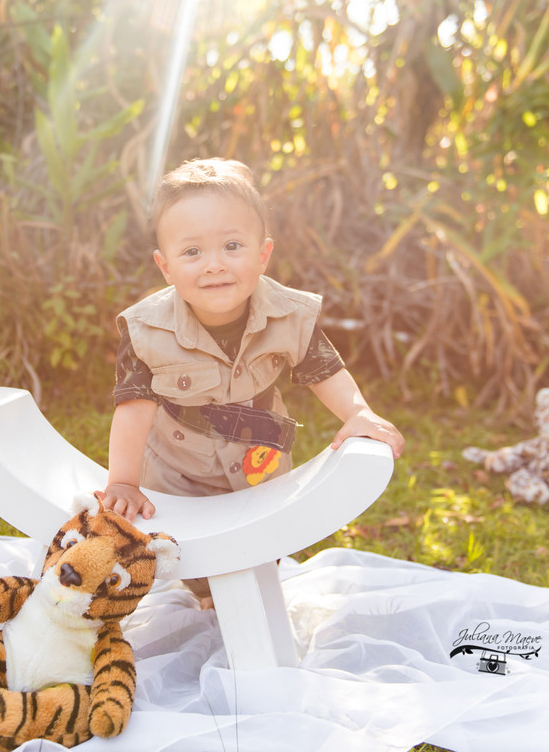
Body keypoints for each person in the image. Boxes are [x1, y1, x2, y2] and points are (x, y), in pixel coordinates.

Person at [100, 158, 405, 533]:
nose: (214, 265)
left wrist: (358, 412)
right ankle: (204, 590)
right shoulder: (146, 329)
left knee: (265, 540)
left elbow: (324, 370)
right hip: (177, 471)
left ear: (262, 255)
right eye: (192, 252)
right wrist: (123, 482)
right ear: (166, 267)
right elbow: (133, 409)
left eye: (232, 246)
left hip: (260, 464)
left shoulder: (288, 314)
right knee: (183, 549)